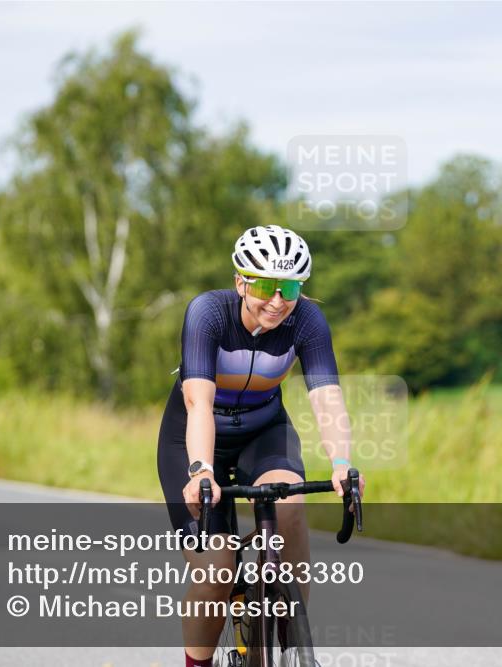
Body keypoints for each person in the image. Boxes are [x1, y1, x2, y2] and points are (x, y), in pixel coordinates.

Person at [156, 224, 367, 667]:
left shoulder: (306, 321)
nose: (277, 300)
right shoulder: (208, 314)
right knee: (215, 572)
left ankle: (292, 638)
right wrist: (201, 470)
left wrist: (342, 463)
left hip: (263, 431)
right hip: (195, 436)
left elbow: (326, 395)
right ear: (241, 282)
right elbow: (198, 402)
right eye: (267, 285)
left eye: (289, 286)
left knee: (288, 507)